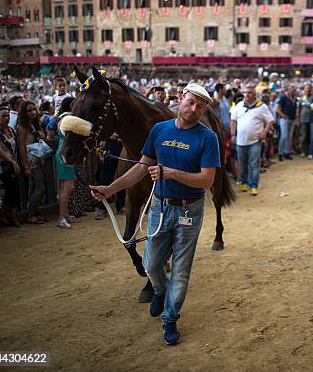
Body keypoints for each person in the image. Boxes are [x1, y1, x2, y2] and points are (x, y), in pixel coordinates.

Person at [89, 83, 220, 346]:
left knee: (181, 271)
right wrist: (110, 188)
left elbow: (206, 181)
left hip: (189, 210)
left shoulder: (208, 138)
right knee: (150, 264)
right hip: (159, 206)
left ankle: (170, 318)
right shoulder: (159, 130)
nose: (194, 109)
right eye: (191, 102)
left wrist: (171, 174)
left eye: (200, 106)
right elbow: (141, 167)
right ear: (180, 98)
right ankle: (159, 289)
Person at [230, 84, 275, 196]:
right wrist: (232, 135)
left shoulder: (261, 106)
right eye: (245, 92)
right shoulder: (239, 105)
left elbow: (270, 121)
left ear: (255, 95)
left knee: (254, 164)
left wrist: (264, 132)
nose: (246, 94)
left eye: (249, 93)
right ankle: (244, 182)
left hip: (255, 141)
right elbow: (233, 120)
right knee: (243, 163)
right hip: (240, 141)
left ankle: (253, 185)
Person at [0, 105, 21, 227]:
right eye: (3, 116)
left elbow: (15, 149)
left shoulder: (11, 130)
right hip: (1, 166)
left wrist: (15, 162)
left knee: (13, 192)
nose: (6, 118)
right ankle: (9, 215)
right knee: (8, 192)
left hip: (11, 164)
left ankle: (8, 215)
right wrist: (13, 162)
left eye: (7, 116)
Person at [16, 100, 47, 225]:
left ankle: (33, 212)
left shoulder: (33, 124)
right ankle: (31, 212)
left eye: (34, 109)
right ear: (24, 112)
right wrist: (26, 166)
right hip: (31, 161)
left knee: (34, 187)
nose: (33, 112)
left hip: (37, 158)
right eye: (29, 110)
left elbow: (42, 138)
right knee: (40, 188)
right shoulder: (23, 127)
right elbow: (21, 147)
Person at [53, 97, 79, 228]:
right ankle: (61, 217)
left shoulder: (62, 117)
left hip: (63, 152)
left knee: (67, 187)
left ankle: (65, 214)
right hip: (65, 154)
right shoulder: (67, 119)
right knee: (67, 188)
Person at [275, 85, 297, 161]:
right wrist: (283, 115)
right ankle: (280, 153)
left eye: (294, 88)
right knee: (284, 136)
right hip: (284, 119)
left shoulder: (294, 97)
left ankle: (287, 152)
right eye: (292, 88)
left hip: (292, 119)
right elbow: (277, 108)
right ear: (288, 89)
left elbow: (295, 108)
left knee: (289, 137)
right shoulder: (283, 97)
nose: (294, 89)